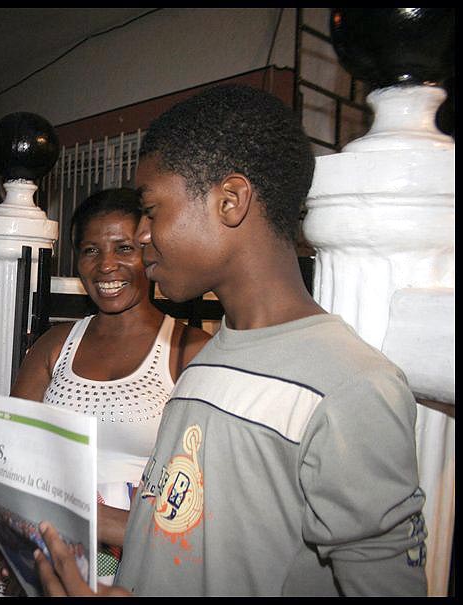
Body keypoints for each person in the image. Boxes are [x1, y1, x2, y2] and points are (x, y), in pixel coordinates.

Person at [34, 85, 427, 596]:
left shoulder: (351, 388)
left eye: (151, 210)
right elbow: (184, 537)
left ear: (230, 201)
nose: (144, 234)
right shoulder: (207, 361)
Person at [0, 188, 210, 585]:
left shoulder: (189, 350)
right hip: (45, 545)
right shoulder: (55, 345)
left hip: (144, 556)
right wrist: (9, 528)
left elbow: (204, 493)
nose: (106, 265)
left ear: (150, 251)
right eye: (91, 251)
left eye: (124, 248)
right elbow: (12, 454)